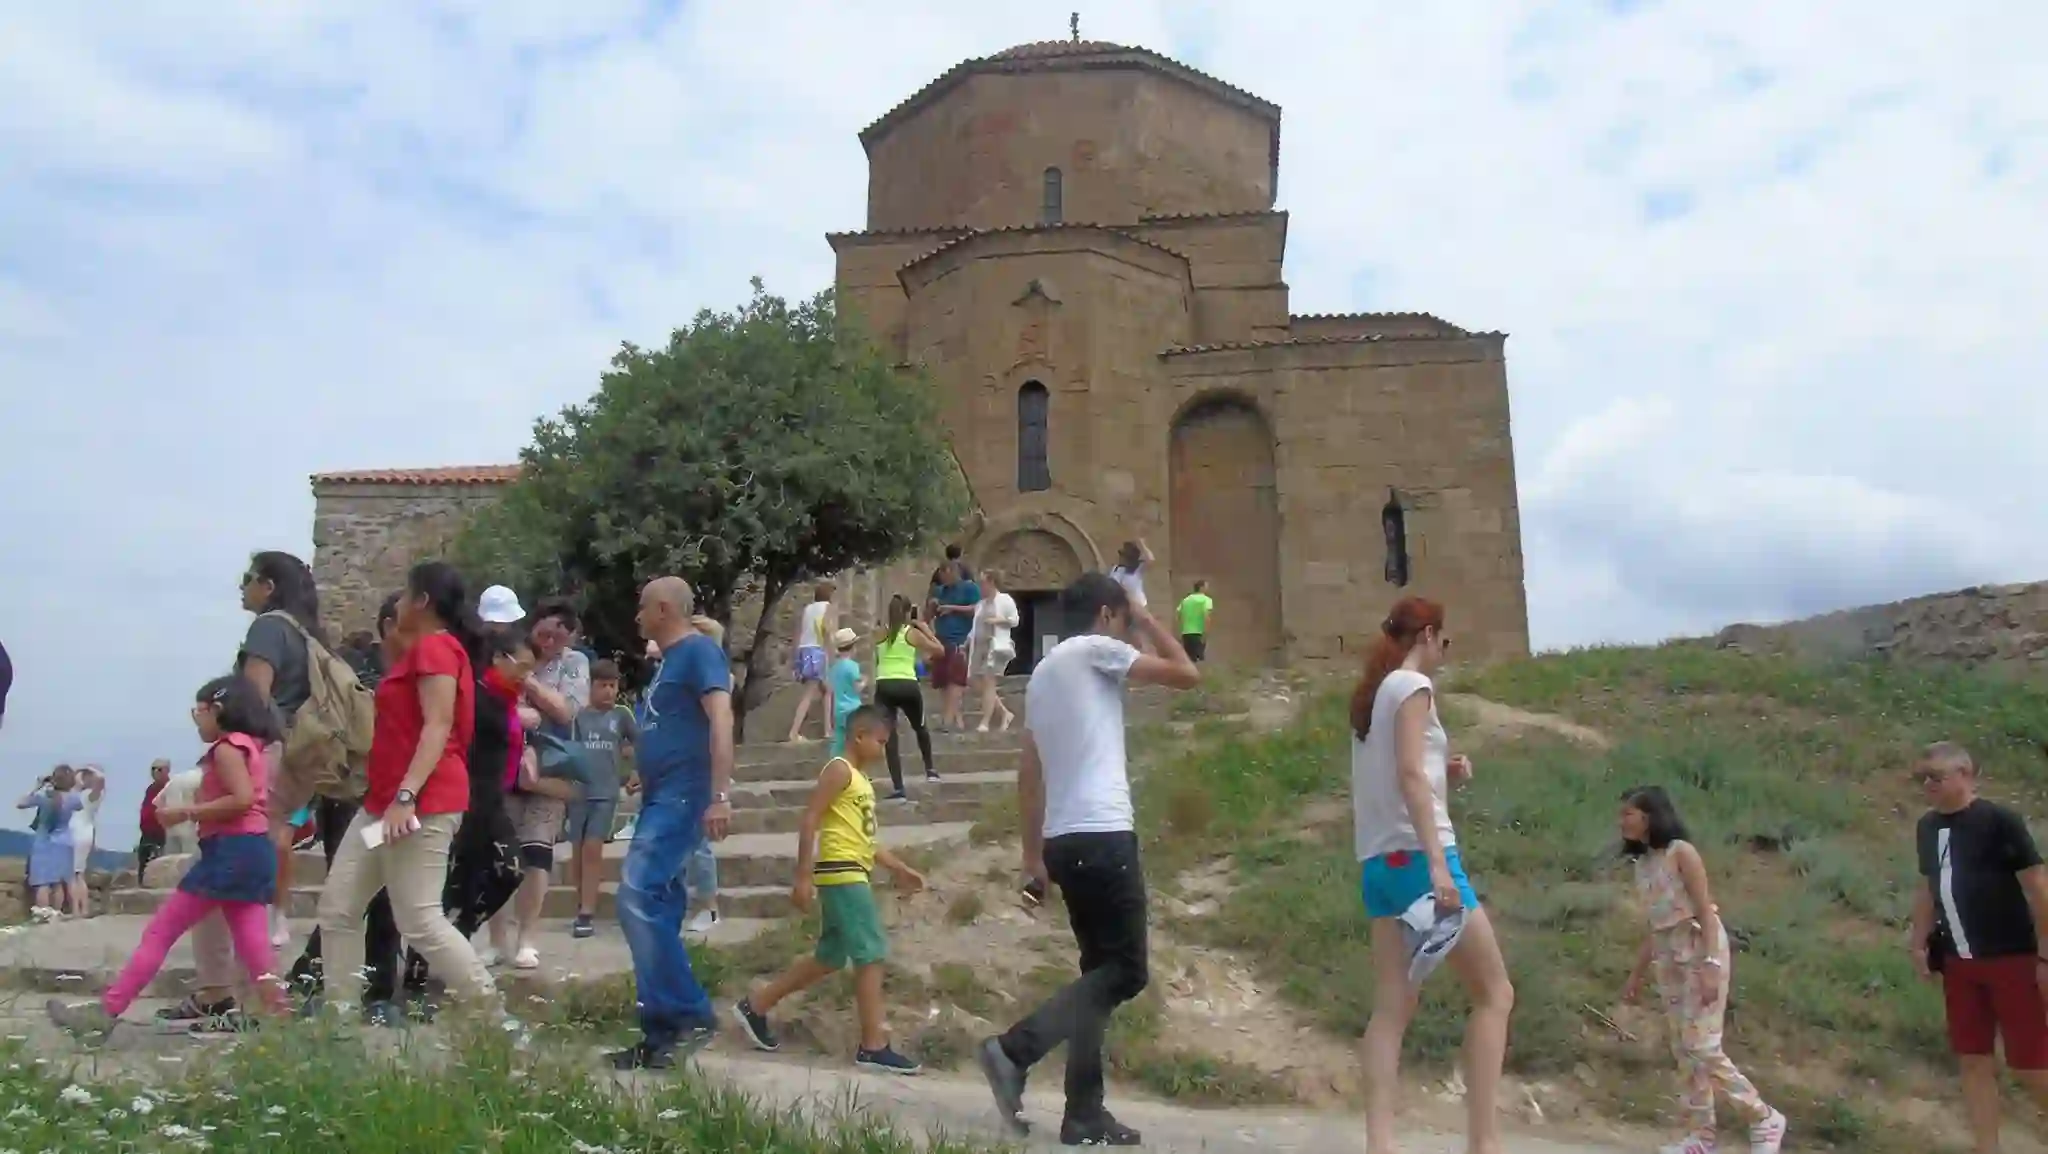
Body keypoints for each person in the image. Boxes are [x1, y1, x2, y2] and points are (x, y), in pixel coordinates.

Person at [976, 572, 1201, 1147]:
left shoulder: (1044, 673)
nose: (1128, 632)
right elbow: (1187, 673)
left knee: (1096, 978)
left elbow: (1029, 773)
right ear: (1106, 614)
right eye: (1122, 620)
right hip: (1103, 833)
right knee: (1126, 971)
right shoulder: (1097, 648)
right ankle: (1014, 1050)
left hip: (1063, 841)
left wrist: (1032, 856)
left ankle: (1083, 1113)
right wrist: (1146, 616)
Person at [1349, 596, 1515, 1154]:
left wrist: (1445, 769)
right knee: (1494, 993)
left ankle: (1380, 1144)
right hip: (1422, 860)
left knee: (1392, 1007)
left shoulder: (1376, 695)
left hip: (1379, 864)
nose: (1445, 650)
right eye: (1444, 640)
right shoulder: (1414, 687)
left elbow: (1399, 771)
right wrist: (1440, 864)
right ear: (1427, 635)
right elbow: (1408, 777)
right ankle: (1484, 1144)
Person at [316, 562, 507, 1027]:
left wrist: (407, 795)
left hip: (418, 805)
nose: (398, 603)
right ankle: (338, 1022)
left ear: (422, 601)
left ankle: (495, 1018)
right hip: (382, 809)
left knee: (420, 918)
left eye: (404, 595)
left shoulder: (436, 649)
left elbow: (438, 726)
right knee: (338, 907)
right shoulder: (423, 651)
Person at [48, 675, 291, 1040]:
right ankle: (282, 1020)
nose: (196, 720)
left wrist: (185, 812)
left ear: (218, 710)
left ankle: (106, 1012)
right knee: (254, 946)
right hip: (254, 851)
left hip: (229, 851)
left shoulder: (226, 749)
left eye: (199, 712)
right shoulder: (253, 747)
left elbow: (241, 799)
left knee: (161, 932)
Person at [732, 705, 927, 1072]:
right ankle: (872, 1045)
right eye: (880, 741)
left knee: (831, 956)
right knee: (871, 952)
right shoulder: (838, 770)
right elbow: (810, 819)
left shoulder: (861, 781)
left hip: (853, 868)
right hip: (842, 871)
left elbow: (867, 840)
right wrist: (802, 876)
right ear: (859, 736)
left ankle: (756, 1005)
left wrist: (899, 869)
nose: (883, 749)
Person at [609, 576, 735, 1070]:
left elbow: (721, 720)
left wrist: (719, 796)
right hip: (661, 793)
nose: (637, 617)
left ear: (663, 609)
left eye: (642, 607)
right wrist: (645, 770)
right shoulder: (667, 664)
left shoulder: (699, 652)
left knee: (636, 895)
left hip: (684, 796)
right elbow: (672, 724)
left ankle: (688, 1014)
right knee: (656, 906)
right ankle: (661, 1032)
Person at [1618, 787, 1786, 1154]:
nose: (1622, 821)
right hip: (1667, 954)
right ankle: (1701, 1136)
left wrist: (1711, 963)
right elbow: (1655, 925)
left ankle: (1762, 1116)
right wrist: (1636, 974)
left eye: (1628, 813)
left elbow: (1705, 910)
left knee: (1701, 1043)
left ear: (1649, 815)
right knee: (1683, 1048)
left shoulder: (1681, 852)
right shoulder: (1643, 865)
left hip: (1697, 948)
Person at [1910, 741, 2048, 1154]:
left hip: (2012, 957)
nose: (1928, 785)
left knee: (2031, 1064)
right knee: (1972, 1059)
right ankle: (1986, 1147)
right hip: (1959, 962)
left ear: (1965, 774)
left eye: (1936, 777)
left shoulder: (1999, 821)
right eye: (1922, 778)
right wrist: (1918, 942)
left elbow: (2038, 888)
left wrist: (2045, 955)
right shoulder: (1928, 827)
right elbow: (1928, 887)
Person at [396, 625, 530, 1017]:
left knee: (509, 870)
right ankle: (417, 984)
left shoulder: (505, 701)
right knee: (446, 889)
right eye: (521, 666)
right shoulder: (476, 695)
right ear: (498, 659)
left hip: (491, 803)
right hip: (463, 802)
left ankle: (457, 938)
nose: (526, 676)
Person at [283, 591, 404, 1015]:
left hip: (394, 799)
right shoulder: (357, 669)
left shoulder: (419, 671)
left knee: (382, 892)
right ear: (389, 624)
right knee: (352, 888)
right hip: (352, 797)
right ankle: (326, 981)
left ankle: (374, 990)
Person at [568, 659, 638, 939]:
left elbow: (640, 742)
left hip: (605, 794)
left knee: (593, 848)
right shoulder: (579, 717)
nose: (609, 691)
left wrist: (636, 771)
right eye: (603, 685)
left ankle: (587, 912)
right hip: (578, 793)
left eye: (613, 685)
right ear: (591, 686)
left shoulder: (621, 715)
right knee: (577, 851)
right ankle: (581, 902)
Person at [874, 595, 943, 800]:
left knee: (890, 736)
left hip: (884, 684)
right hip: (907, 684)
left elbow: (878, 658)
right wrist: (925, 629)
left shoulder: (879, 633)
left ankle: (898, 788)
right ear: (906, 613)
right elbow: (940, 651)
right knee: (920, 726)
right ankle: (930, 770)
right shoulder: (911, 633)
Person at [20, 766, 84, 915]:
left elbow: (21, 803)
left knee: (42, 882)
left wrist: (37, 787)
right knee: (57, 883)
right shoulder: (73, 799)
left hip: (44, 842)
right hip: (65, 843)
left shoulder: (44, 797)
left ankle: (43, 913)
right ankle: (56, 913)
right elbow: (80, 804)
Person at [929, 562, 981, 730]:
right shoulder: (941, 591)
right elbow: (927, 617)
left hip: (959, 640)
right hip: (940, 640)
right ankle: (956, 720)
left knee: (955, 680)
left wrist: (952, 608)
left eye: (944, 574)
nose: (942, 579)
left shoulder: (969, 588)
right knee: (943, 681)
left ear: (952, 572)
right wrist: (932, 605)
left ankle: (947, 720)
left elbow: (977, 610)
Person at [786, 583, 837, 744]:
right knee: (810, 692)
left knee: (827, 689)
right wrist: (831, 652)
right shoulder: (828, 608)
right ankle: (794, 732)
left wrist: (794, 658)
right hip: (817, 651)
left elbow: (800, 633)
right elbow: (826, 630)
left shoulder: (808, 609)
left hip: (804, 650)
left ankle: (828, 730)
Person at [969, 571, 1019, 732]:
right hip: (979, 646)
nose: (980, 586)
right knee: (975, 681)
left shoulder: (1005, 600)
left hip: (995, 646)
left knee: (989, 681)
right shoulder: (981, 604)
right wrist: (967, 641)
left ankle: (985, 721)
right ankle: (1004, 713)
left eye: (983, 582)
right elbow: (975, 626)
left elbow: (1015, 620)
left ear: (991, 582)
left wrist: (998, 620)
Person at [66, 766, 106, 915]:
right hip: (85, 833)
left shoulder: (90, 795)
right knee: (79, 873)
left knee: (75, 874)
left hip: (78, 834)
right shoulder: (86, 795)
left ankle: (77, 909)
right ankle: (83, 909)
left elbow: (101, 779)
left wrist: (87, 769)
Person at [826, 628, 865, 757]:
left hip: (838, 710)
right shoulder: (853, 666)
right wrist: (864, 682)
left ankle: (835, 763)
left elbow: (831, 691)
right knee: (856, 742)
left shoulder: (834, 668)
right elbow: (857, 688)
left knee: (839, 742)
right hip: (853, 709)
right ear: (853, 647)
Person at [136, 759, 172, 877]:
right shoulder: (150, 789)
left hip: (162, 832)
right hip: (147, 832)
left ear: (167, 770)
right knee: (143, 861)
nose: (156, 772)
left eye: (159, 769)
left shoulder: (170, 787)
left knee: (160, 862)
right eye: (153, 769)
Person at [1176, 580, 1215, 664]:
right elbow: (1207, 617)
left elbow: (1179, 615)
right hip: (1198, 633)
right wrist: (1206, 632)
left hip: (1186, 633)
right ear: (1201, 588)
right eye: (1206, 586)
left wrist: (1181, 629)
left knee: (1189, 659)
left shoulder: (1185, 600)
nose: (1207, 588)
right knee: (1199, 659)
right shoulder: (1206, 600)